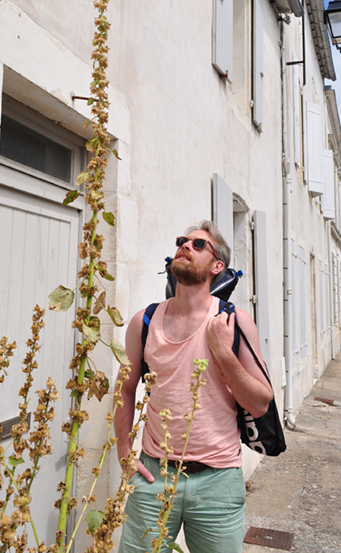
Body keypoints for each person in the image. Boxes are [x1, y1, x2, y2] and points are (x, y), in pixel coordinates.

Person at [116, 221, 273, 553]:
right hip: (152, 477)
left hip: (217, 481)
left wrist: (224, 354)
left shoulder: (235, 321)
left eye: (199, 244)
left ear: (218, 267)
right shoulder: (143, 321)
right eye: (182, 241)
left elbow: (260, 403)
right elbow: (125, 388)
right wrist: (123, 452)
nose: (186, 246)